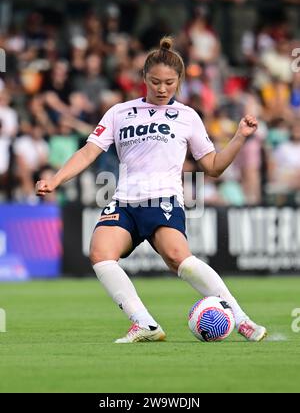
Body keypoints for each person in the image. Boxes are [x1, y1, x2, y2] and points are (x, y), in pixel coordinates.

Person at [36, 37, 267, 343]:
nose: (162, 88)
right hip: (124, 201)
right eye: (156, 81)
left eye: (170, 82)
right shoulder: (119, 112)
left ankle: (242, 320)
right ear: (143, 78)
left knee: (177, 257)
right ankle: (144, 323)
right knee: (100, 253)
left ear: (179, 81)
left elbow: (212, 167)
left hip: (163, 199)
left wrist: (239, 137)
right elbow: (87, 152)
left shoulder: (187, 117)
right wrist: (56, 178)